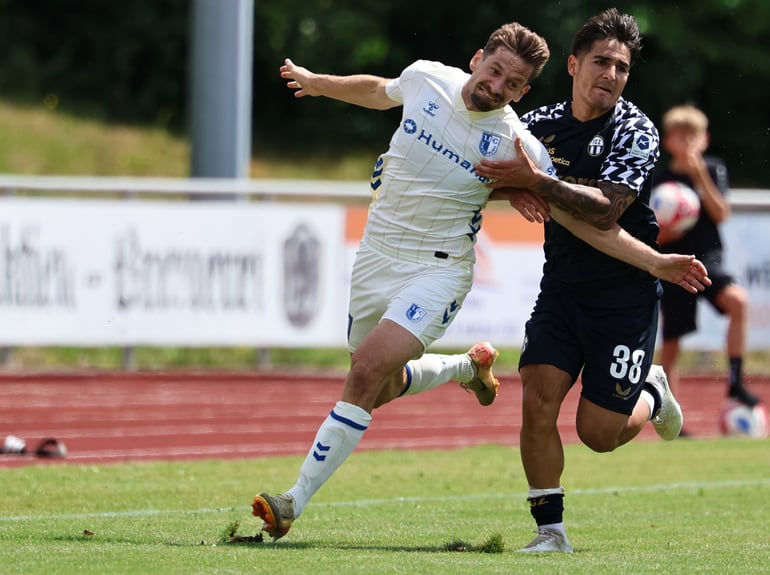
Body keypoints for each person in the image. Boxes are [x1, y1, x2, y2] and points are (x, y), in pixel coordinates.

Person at [252, 22, 708, 542]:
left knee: (593, 432)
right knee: (375, 380)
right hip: (385, 257)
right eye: (495, 71)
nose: (498, 85)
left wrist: (649, 259)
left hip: (451, 268)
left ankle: (293, 500)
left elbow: (595, 217)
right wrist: (317, 82)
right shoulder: (431, 79)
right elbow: (381, 91)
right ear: (477, 59)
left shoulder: (534, 143)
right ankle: (464, 369)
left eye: (513, 83)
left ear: (523, 90)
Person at [475, 9, 709, 553]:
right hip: (561, 289)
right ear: (575, 64)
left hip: (623, 297)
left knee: (598, 436)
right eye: (601, 61)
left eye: (622, 68)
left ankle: (652, 388)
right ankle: (550, 533)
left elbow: (605, 211)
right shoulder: (537, 125)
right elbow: (485, 174)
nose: (611, 74)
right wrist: (515, 188)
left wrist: (535, 182)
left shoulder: (636, 130)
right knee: (536, 399)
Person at [652, 104, 761, 416]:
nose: (687, 143)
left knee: (737, 301)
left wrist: (699, 174)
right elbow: (653, 235)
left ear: (705, 139)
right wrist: (667, 233)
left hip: (709, 261)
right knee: (671, 344)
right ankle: (668, 410)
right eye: (679, 136)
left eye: (693, 136)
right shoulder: (661, 181)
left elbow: (721, 213)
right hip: (676, 266)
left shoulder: (712, 170)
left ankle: (736, 380)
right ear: (667, 141)